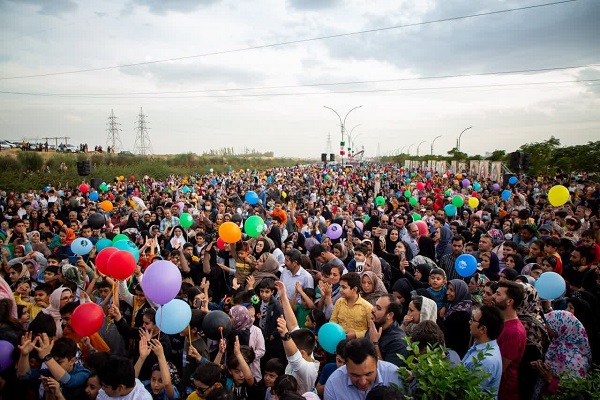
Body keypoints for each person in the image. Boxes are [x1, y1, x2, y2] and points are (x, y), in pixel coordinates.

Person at [274, 280, 320, 394]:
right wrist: (284, 297)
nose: (289, 349)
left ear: (302, 353)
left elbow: (293, 356)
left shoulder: (307, 369)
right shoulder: (307, 352)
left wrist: (285, 335)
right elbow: (293, 325)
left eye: (294, 348)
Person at [324, 338, 403, 400]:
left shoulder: (395, 376)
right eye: (355, 375)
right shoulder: (333, 385)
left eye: (368, 374)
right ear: (346, 367)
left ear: (377, 364)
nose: (363, 382)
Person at [493, 281, 526, 400]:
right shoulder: (502, 322)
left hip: (502, 390)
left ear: (509, 301)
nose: (493, 296)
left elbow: (500, 368)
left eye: (498, 294)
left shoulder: (514, 332)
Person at [461, 305, 504, 398]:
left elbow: (466, 394)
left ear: (483, 329)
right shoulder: (480, 345)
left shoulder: (485, 361)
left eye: (473, 320)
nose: (469, 322)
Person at [367, 294, 409, 367]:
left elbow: (386, 371)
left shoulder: (398, 342)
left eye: (378, 308)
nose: (373, 309)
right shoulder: (375, 325)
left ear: (390, 315)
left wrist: (374, 343)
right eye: (375, 305)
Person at [330, 272, 373, 339]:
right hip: (340, 340)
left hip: (358, 343)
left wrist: (356, 334)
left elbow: (372, 330)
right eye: (340, 287)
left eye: (344, 287)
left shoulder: (367, 307)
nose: (340, 290)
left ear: (354, 289)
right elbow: (333, 322)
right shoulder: (339, 302)